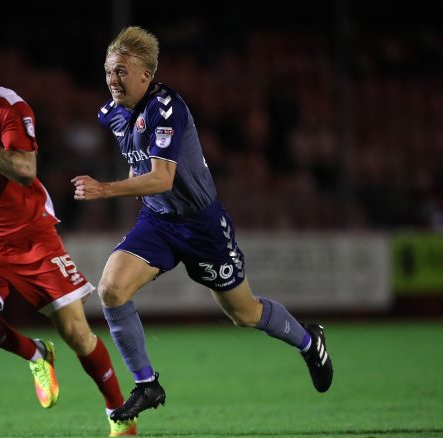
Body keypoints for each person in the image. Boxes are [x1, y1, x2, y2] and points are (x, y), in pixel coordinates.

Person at [71, 26, 334, 423]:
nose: (112, 79)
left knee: (243, 313)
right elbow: (136, 157)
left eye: (122, 71)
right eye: (109, 70)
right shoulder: (112, 113)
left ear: (147, 74)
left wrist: (105, 190)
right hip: (157, 222)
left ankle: (308, 340)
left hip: (202, 227)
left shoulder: (167, 108)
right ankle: (147, 384)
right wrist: (134, 194)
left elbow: (162, 177)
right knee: (110, 289)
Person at [0, 22, 136, 437]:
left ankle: (120, 414)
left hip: (32, 237)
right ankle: (36, 354)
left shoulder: (11, 108)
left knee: (77, 333)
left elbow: (25, 171)